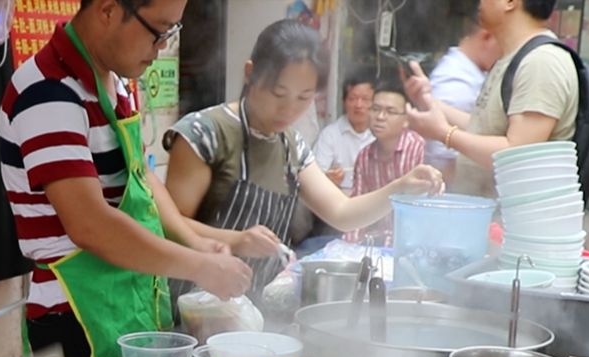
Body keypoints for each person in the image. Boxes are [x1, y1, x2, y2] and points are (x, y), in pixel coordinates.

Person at [0, 0, 277, 357]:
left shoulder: (117, 83)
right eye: (158, 31)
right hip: (72, 320)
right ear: (108, 10)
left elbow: (141, 177)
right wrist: (198, 267)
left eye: (171, 33)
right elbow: (90, 225)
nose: (162, 47)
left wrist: (197, 243)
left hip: (129, 302)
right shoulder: (48, 93)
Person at [164, 20, 443, 271]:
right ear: (250, 73)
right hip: (190, 303)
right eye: (279, 93)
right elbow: (167, 225)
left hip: (252, 309)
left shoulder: (291, 146)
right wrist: (236, 241)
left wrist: (401, 187)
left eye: (303, 97)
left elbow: (343, 214)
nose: (288, 110)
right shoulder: (205, 133)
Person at [403, 0, 578, 196]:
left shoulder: (541, 61)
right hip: (487, 217)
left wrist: (444, 134)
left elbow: (515, 153)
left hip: (513, 223)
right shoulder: (511, 57)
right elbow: (486, 128)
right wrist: (430, 102)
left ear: (511, 2)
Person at [344, 79, 425, 246]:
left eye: (390, 111)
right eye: (375, 109)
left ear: (406, 119)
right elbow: (358, 208)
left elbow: (421, 210)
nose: (380, 117)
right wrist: (348, 248)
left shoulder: (417, 148)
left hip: (413, 245)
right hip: (377, 244)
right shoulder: (364, 157)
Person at [423, 17, 502, 176]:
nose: (504, 52)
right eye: (502, 44)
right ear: (486, 36)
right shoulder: (456, 80)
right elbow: (442, 156)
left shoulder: (472, 70)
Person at [313, 69, 375, 192]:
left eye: (365, 99)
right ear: (344, 101)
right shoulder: (330, 135)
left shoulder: (382, 134)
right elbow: (315, 179)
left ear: (375, 102)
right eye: (352, 98)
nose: (358, 105)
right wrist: (329, 180)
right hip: (339, 201)